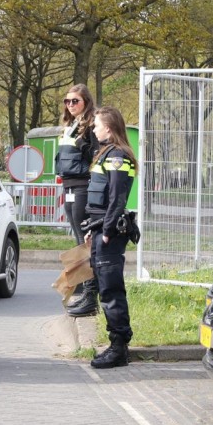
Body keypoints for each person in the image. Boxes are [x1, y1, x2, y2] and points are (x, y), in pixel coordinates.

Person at [83, 106, 137, 369]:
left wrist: (106, 231)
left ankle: (119, 348)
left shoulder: (118, 157)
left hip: (109, 232)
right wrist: (93, 229)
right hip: (99, 227)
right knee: (105, 288)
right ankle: (115, 344)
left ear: (110, 127)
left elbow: (117, 198)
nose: (94, 128)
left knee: (111, 290)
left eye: (97, 125)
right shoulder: (105, 154)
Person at [56, 84, 100, 317]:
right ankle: (85, 289)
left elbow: (94, 155)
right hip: (69, 185)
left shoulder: (90, 125)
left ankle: (91, 294)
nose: (70, 105)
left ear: (86, 102)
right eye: (67, 101)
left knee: (86, 240)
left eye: (75, 101)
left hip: (82, 185)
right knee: (77, 238)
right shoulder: (69, 126)